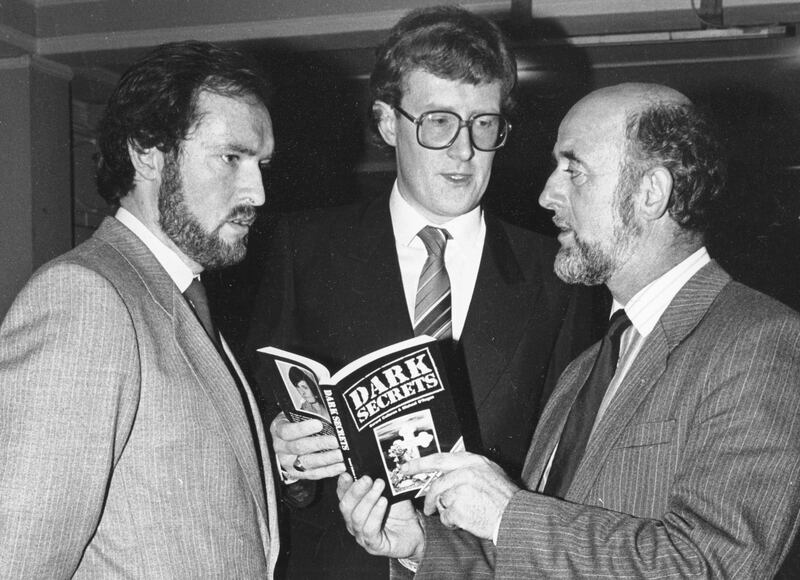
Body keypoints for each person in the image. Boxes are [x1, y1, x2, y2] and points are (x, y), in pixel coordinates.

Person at [338, 82, 800, 578]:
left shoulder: (757, 341)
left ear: (651, 193)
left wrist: (508, 513)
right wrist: (421, 546)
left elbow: (715, 565)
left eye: (573, 170)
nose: (547, 194)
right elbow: (534, 557)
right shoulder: (587, 367)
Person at [246, 5, 603, 579]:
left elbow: (571, 469)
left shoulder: (556, 273)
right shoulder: (303, 250)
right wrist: (283, 456)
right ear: (389, 123)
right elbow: (257, 423)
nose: (464, 150)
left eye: (484, 124)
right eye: (438, 121)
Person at [0, 41, 280, 577]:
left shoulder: (179, 295)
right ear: (148, 151)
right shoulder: (85, 301)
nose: (258, 191)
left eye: (261, 163)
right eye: (232, 158)